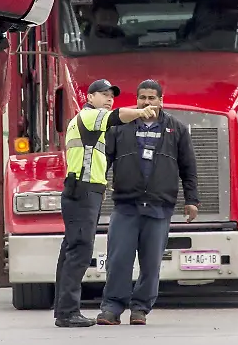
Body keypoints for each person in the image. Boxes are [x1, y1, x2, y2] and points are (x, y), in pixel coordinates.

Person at [54, 79, 159, 328]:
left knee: (71, 250)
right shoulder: (90, 116)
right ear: (90, 98)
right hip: (83, 190)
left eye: (111, 95)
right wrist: (142, 112)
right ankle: (68, 312)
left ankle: (64, 309)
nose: (109, 98)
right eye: (103, 94)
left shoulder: (92, 124)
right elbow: (118, 116)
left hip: (84, 190)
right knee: (79, 250)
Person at [97, 80, 198, 326]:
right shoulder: (121, 127)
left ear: (161, 101)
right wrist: (96, 190)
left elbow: (188, 167)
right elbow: (104, 160)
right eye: (142, 97)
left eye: (152, 98)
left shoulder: (177, 129)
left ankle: (140, 309)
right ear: (137, 99)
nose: (147, 102)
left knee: (151, 263)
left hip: (159, 207)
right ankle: (111, 308)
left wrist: (191, 200)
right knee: (118, 260)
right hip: (126, 206)